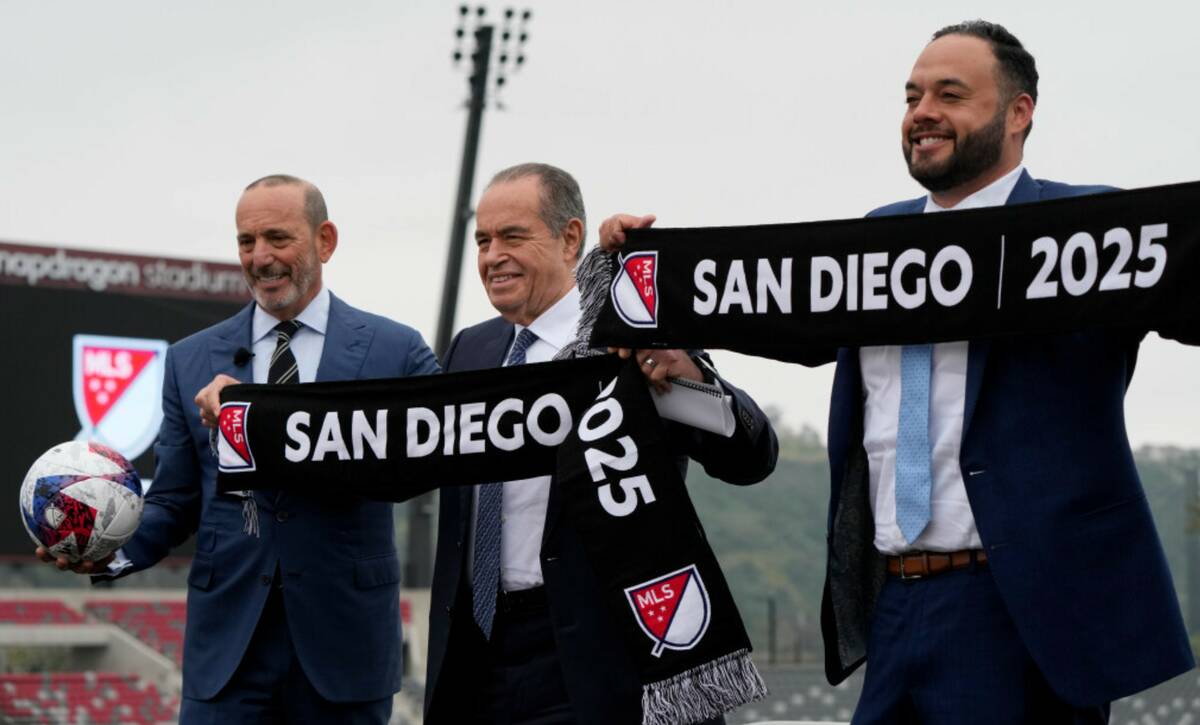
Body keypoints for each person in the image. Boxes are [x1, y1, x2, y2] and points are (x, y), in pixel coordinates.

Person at [599, 21, 1194, 724]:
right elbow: (768, 306)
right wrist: (652, 280)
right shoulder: (872, 240)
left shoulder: (1087, 227)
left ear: (1018, 112)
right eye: (912, 96)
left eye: (950, 93)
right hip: (895, 602)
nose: (923, 112)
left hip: (1027, 609)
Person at [39, 174, 439, 724]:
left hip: (344, 649)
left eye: (278, 237)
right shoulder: (189, 360)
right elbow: (176, 499)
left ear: (325, 241)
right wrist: (108, 549)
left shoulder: (396, 350)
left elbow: (436, 457)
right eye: (246, 241)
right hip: (226, 653)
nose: (260, 257)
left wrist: (260, 417)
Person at [423, 162, 779, 724]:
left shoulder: (629, 333)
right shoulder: (469, 350)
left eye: (513, 236)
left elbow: (751, 457)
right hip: (481, 657)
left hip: (603, 657)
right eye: (483, 241)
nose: (493, 257)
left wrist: (687, 372)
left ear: (570, 239)